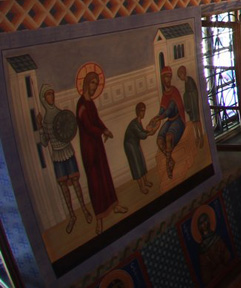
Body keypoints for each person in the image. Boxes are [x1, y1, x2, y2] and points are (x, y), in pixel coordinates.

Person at [76, 70, 127, 234]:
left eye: (96, 84)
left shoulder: (90, 103)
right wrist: (102, 132)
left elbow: (96, 120)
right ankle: (99, 220)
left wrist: (105, 128)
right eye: (92, 83)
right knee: (95, 183)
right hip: (89, 149)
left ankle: (114, 205)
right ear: (86, 83)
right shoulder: (82, 105)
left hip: (97, 146)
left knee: (105, 176)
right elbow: (88, 126)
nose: (94, 87)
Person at [38, 84, 92, 234]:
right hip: (57, 155)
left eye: (52, 94)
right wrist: (40, 127)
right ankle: (72, 215)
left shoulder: (61, 114)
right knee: (63, 185)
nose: (51, 97)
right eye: (48, 94)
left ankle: (84, 209)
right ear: (44, 98)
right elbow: (44, 142)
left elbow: (69, 131)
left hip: (67, 151)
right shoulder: (45, 121)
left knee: (75, 181)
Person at [154, 66, 186, 179]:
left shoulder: (174, 91)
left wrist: (160, 117)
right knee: (159, 140)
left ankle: (168, 165)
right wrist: (156, 118)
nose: (168, 79)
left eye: (169, 77)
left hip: (178, 120)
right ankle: (171, 159)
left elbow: (169, 110)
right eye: (166, 77)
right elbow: (162, 110)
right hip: (170, 121)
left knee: (168, 137)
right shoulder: (165, 95)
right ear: (163, 79)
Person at [123, 101, 159, 194]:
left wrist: (150, 131)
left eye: (144, 110)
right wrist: (151, 132)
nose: (143, 113)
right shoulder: (134, 124)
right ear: (138, 111)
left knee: (141, 161)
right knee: (136, 165)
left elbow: (142, 131)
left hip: (135, 144)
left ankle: (145, 181)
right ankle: (141, 187)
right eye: (142, 111)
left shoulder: (138, 121)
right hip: (130, 146)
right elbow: (141, 135)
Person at [179, 65, 202, 146]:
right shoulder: (186, 82)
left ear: (183, 73)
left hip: (194, 105)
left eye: (180, 75)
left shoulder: (190, 80)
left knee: (197, 121)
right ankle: (197, 136)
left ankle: (201, 137)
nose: (180, 78)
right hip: (191, 106)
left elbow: (193, 92)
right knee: (193, 122)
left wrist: (187, 95)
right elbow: (187, 94)